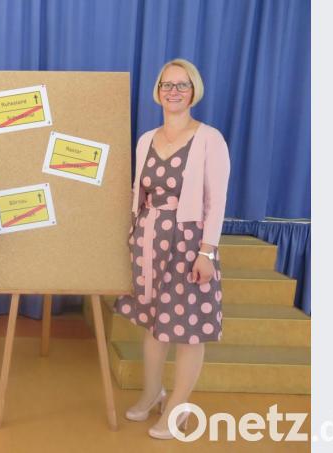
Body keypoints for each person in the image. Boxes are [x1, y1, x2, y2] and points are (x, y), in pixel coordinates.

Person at [114, 58, 230, 439]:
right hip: (149, 241)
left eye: (181, 85)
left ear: (193, 91)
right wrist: (132, 235)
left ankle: (178, 408)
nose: (173, 91)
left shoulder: (208, 138)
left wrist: (207, 252)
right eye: (167, 85)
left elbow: (216, 201)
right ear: (158, 91)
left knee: (187, 328)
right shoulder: (147, 138)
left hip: (188, 242)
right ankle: (152, 393)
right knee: (154, 324)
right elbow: (138, 193)